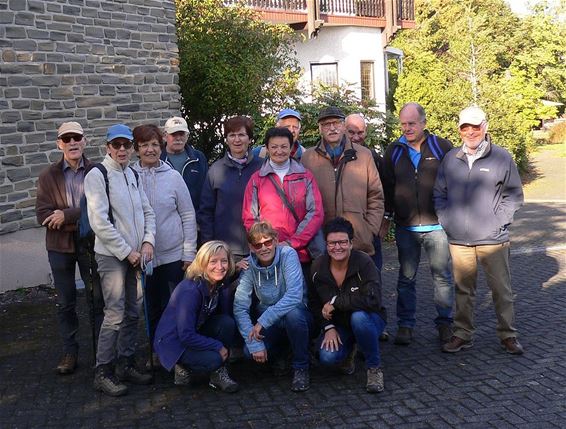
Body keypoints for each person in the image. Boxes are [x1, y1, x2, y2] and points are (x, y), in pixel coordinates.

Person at [433, 106, 524, 355]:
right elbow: (439, 193)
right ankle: (463, 334)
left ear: (485, 127)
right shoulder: (451, 158)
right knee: (463, 290)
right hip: (459, 239)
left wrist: (499, 222)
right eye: (465, 127)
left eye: (475, 127)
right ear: (459, 129)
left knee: (501, 290)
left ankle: (508, 335)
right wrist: (447, 221)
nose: (470, 132)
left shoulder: (502, 157)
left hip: (493, 239)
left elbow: (514, 195)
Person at [84, 124, 156, 396]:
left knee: (133, 311)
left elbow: (147, 212)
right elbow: (99, 223)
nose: (122, 149)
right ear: (108, 147)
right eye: (117, 145)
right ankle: (103, 371)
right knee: (114, 313)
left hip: (136, 255)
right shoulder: (98, 175)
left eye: (127, 145)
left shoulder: (133, 174)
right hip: (113, 256)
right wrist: (128, 252)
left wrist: (148, 240)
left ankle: (126, 363)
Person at [381, 102, 454, 346]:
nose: (407, 128)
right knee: (406, 278)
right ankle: (405, 325)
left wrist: (450, 215)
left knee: (442, 277)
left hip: (437, 227)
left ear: (423, 123)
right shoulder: (394, 150)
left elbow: (455, 182)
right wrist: (388, 218)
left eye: (412, 123)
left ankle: (445, 324)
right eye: (403, 124)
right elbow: (388, 188)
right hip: (406, 228)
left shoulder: (442, 147)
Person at [36, 121, 104, 375]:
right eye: (67, 139)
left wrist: (66, 215)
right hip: (59, 246)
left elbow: (103, 207)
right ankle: (70, 352)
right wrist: (77, 218)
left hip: (92, 244)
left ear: (85, 141)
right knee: (65, 302)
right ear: (59, 144)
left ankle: (102, 353)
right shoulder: (47, 176)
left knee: (97, 299)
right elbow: (41, 215)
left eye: (77, 138)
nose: (73, 143)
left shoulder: (97, 171)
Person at [131, 124, 197, 356]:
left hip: (172, 255)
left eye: (155, 145)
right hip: (142, 257)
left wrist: (188, 253)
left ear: (162, 147)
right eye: (144, 145)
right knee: (150, 306)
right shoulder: (128, 176)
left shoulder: (173, 177)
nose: (150, 150)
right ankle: (156, 350)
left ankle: (174, 351)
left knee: (173, 306)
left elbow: (188, 215)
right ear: (136, 149)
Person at [233, 222, 313, 392]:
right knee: (249, 352)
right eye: (257, 245)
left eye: (268, 242)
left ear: (276, 241)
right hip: (271, 323)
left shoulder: (288, 255)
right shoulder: (248, 266)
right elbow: (240, 307)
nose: (264, 248)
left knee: (293, 315)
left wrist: (262, 322)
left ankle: (301, 366)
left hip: (296, 316)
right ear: (251, 247)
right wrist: (255, 345)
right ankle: (281, 355)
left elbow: (294, 296)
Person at [310, 217, 387, 393]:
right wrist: (328, 327)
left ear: (351, 243)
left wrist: (336, 302)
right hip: (339, 324)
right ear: (326, 244)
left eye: (342, 242)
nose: (337, 247)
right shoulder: (318, 267)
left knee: (358, 318)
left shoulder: (364, 263)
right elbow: (314, 304)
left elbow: (373, 300)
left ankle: (374, 368)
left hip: (370, 318)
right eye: (332, 243)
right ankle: (350, 346)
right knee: (327, 357)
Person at [153, 241, 240, 392]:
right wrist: (217, 346)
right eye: (213, 261)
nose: (220, 267)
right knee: (215, 358)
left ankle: (217, 374)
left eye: (224, 261)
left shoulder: (215, 283)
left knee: (226, 323)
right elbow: (185, 335)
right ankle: (180, 366)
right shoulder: (190, 291)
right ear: (202, 263)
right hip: (174, 342)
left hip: (193, 332)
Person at [242, 127, 324, 281]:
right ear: (266, 148)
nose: (279, 151)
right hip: (268, 255)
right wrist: (268, 244)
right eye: (274, 147)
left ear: (292, 147)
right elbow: (250, 217)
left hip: (301, 254)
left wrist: (293, 243)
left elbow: (316, 212)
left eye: (284, 146)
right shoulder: (257, 179)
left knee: (302, 298)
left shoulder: (305, 176)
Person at [301, 106, 384, 259]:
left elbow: (375, 196)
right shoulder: (308, 158)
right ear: (320, 129)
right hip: (323, 242)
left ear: (344, 126)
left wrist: (369, 230)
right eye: (326, 124)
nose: (332, 128)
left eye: (336, 123)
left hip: (358, 241)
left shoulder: (364, 155)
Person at [198, 116, 263, 262]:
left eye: (241, 135)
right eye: (232, 135)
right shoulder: (215, 170)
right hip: (226, 249)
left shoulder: (262, 167)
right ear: (226, 139)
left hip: (260, 245)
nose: (237, 140)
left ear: (250, 138)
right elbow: (206, 212)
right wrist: (209, 245)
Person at [345, 113, 386, 271]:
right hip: (341, 233)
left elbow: (381, 193)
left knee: (372, 277)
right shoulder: (332, 157)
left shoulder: (373, 157)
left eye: (360, 132)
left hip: (367, 232)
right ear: (343, 130)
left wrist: (372, 228)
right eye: (351, 132)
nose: (356, 137)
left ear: (366, 132)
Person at [160, 116, 207, 212]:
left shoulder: (199, 158)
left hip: (195, 218)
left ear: (187, 136)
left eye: (181, 134)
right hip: (166, 220)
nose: (178, 138)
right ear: (165, 136)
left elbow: (206, 192)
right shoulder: (158, 160)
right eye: (173, 134)